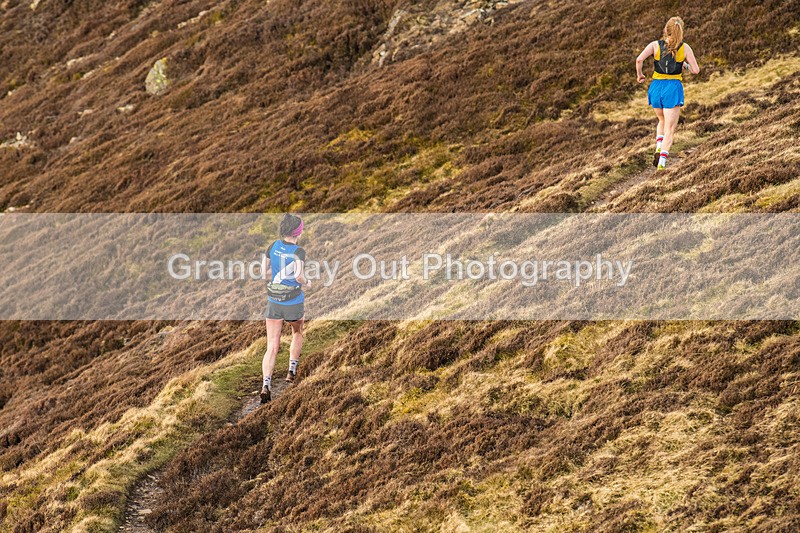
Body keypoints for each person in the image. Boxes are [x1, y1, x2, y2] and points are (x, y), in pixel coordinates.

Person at [636, 16, 699, 170]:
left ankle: (658, 146)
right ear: (681, 31)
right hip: (672, 88)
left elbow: (639, 60)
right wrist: (684, 66)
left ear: (666, 30)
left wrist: (640, 75)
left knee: (661, 120)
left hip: (656, 87)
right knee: (670, 129)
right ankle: (662, 164)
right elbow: (696, 70)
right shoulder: (685, 48)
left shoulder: (655, 45)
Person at [261, 214, 309, 403]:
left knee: (272, 346)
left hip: (274, 301)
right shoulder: (299, 251)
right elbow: (299, 277)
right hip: (293, 302)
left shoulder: (272, 246)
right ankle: (291, 370)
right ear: (298, 232)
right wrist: (309, 281)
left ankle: (266, 384)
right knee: (297, 331)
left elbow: (264, 273)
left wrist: (278, 274)